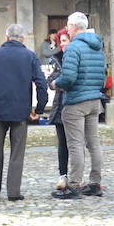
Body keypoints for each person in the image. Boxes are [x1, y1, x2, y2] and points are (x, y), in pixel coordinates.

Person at [0, 24, 48, 202]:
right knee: (17, 153)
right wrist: (39, 109)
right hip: (20, 111)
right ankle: (13, 191)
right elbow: (41, 84)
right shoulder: (30, 56)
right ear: (22, 38)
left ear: (7, 37)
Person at [52, 12, 107, 199]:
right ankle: (95, 183)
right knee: (94, 143)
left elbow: (68, 78)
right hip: (94, 100)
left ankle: (74, 185)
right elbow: (103, 76)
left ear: (74, 27)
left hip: (76, 101)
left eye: (68, 26)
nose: (67, 29)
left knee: (75, 145)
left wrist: (56, 84)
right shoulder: (98, 47)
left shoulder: (74, 48)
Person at [48, 30, 73, 190]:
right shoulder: (56, 59)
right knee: (62, 143)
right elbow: (50, 79)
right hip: (59, 107)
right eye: (60, 41)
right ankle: (63, 175)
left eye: (65, 40)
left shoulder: (76, 57)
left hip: (74, 105)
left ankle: (78, 176)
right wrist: (57, 83)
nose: (62, 43)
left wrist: (60, 83)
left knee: (77, 143)